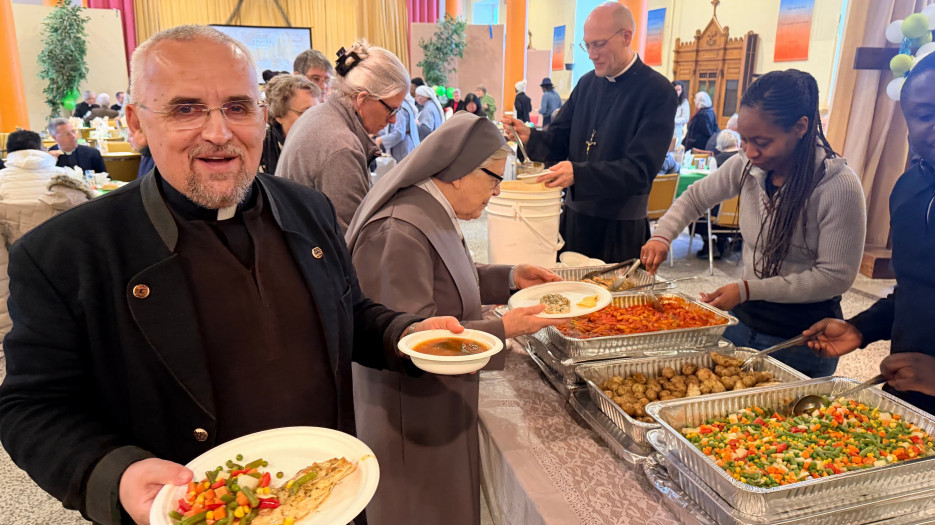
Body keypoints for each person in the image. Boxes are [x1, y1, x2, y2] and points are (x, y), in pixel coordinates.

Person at [0, 25, 463, 525]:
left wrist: (404, 334)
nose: (219, 133)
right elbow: (33, 406)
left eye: (239, 108)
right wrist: (113, 474)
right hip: (199, 511)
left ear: (264, 117)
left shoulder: (308, 209)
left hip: (329, 498)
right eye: (185, 109)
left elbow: (348, 312)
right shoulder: (66, 253)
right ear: (136, 122)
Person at [346, 112, 564, 525]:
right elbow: (416, 338)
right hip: (410, 412)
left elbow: (451, 274)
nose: (497, 191)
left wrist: (510, 277)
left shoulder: (432, 207)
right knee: (420, 508)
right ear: (460, 172)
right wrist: (504, 329)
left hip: (440, 400)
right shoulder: (398, 228)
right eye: (493, 179)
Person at [641, 70, 866, 378]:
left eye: (762, 142)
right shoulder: (747, 164)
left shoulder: (837, 185)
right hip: (741, 324)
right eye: (744, 140)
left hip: (803, 339)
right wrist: (662, 237)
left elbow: (834, 277)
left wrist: (748, 289)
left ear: (801, 127)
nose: (750, 152)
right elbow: (694, 197)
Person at [802, 52, 935, 414]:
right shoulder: (909, 191)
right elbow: (916, 292)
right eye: (926, 115)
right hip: (908, 396)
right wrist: (861, 329)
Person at [502, 2, 677, 263]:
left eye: (599, 44)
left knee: (615, 304)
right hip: (574, 223)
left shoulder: (657, 91)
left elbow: (640, 171)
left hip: (620, 231)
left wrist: (579, 173)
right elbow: (560, 139)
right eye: (587, 45)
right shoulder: (586, 84)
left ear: (626, 36)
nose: (592, 54)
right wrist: (531, 137)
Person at [277, 40, 410, 232]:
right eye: (391, 110)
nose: (393, 120)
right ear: (362, 99)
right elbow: (352, 242)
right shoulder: (341, 148)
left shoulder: (320, 113)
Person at [0, 130, 91, 340]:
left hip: (16, 267)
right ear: (42, 148)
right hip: (68, 265)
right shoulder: (68, 177)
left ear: (9, 152)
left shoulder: (1, 181)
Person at [694, 129, 743, 260]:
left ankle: (709, 245)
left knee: (697, 210)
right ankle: (723, 241)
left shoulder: (715, 160)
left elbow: (712, 189)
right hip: (742, 214)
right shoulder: (747, 160)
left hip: (719, 212)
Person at [260, 73, 321, 174]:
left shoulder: (326, 147)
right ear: (279, 114)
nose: (315, 120)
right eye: (306, 113)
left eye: (317, 112)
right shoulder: (260, 151)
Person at [376, 93, 420, 164]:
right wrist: (377, 132)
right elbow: (390, 129)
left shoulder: (400, 108)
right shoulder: (401, 105)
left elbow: (399, 133)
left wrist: (380, 140)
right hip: (403, 145)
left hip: (403, 147)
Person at [673, 81, 690, 148]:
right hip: (665, 129)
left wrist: (673, 120)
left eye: (679, 90)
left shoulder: (684, 102)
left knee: (674, 150)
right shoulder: (666, 99)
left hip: (677, 129)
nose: (677, 92)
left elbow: (686, 118)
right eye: (675, 90)